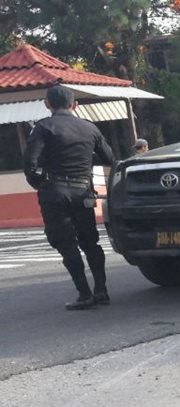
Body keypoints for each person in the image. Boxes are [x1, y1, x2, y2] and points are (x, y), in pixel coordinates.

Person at [22, 85, 115, 310]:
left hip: (56, 191)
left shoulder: (43, 127)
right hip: (83, 190)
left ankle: (84, 294)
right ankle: (101, 290)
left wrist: (41, 185)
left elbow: (30, 163)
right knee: (90, 242)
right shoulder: (90, 127)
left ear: (47, 104)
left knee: (66, 244)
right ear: (75, 104)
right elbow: (109, 158)